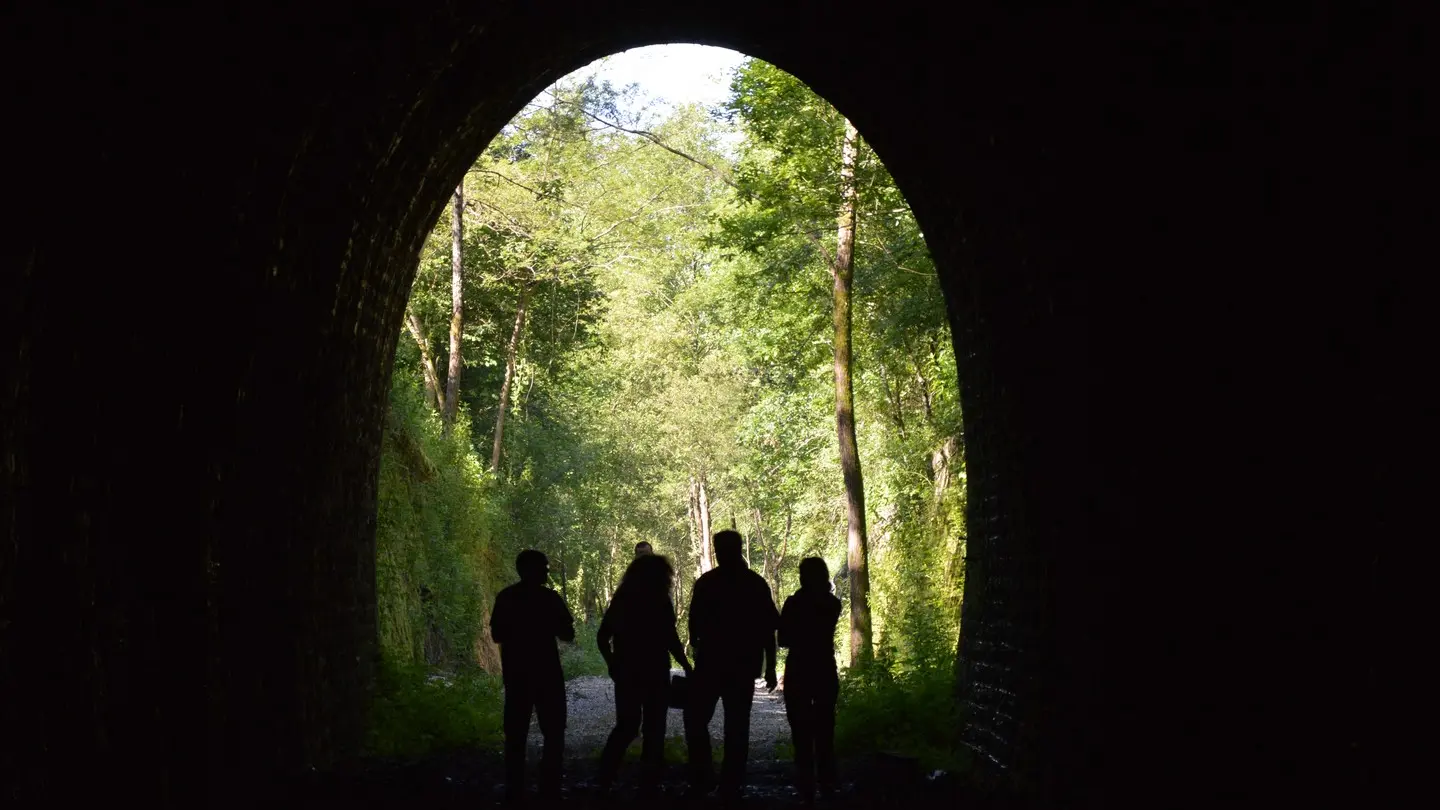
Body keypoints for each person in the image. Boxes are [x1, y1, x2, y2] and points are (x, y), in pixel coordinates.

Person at [684, 529, 780, 803]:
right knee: (737, 725)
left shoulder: (707, 583)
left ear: (719, 551)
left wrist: (698, 649)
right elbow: (769, 629)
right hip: (743, 665)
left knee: (695, 719)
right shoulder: (755, 584)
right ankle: (731, 784)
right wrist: (770, 666)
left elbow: (694, 625)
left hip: (710, 664)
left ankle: (702, 777)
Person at [594, 553, 693, 795]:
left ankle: (604, 777)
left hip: (627, 670)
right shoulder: (660, 600)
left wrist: (612, 663)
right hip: (655, 670)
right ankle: (649, 782)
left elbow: (602, 637)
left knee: (627, 726)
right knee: (655, 728)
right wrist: (686, 665)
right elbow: (670, 638)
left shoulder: (623, 598)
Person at [490, 549, 576, 804]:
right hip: (547, 674)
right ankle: (550, 789)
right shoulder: (550, 598)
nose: (548, 571)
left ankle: (515, 789)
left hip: (517, 675)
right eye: (545, 567)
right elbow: (568, 634)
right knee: (554, 732)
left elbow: (496, 635)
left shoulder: (506, 597)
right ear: (533, 569)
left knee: (516, 733)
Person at [778, 558, 843, 804]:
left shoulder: (794, 604)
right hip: (824, 668)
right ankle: (827, 782)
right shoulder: (832, 604)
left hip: (799, 669)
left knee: (800, 730)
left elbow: (783, 640)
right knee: (825, 727)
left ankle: (805, 785)